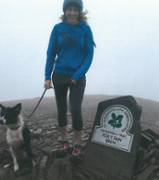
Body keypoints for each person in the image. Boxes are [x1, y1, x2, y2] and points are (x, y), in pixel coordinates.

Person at [44, 0, 95, 162]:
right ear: (65, 12)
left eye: (75, 9)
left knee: (75, 109)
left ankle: (78, 145)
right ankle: (64, 142)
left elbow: (89, 55)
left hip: (77, 77)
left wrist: (78, 74)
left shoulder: (85, 29)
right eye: (69, 9)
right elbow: (51, 54)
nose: (72, 12)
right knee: (61, 109)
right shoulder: (58, 29)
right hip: (59, 75)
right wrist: (47, 76)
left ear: (79, 12)